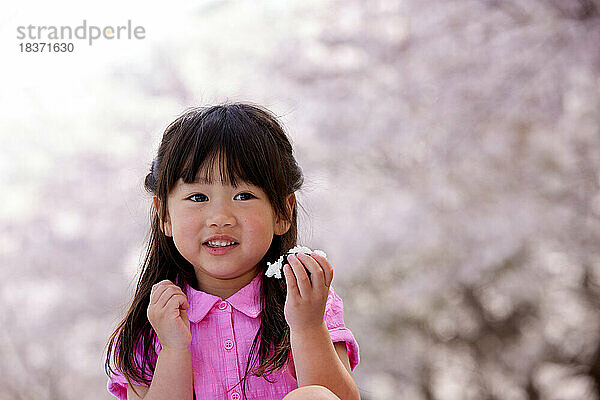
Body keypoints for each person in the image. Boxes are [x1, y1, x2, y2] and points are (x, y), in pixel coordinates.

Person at [104, 103, 360, 400]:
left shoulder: (306, 301)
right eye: (198, 197)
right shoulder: (151, 323)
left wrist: (307, 326)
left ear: (282, 212)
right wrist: (173, 348)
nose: (221, 217)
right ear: (165, 215)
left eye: (243, 195)